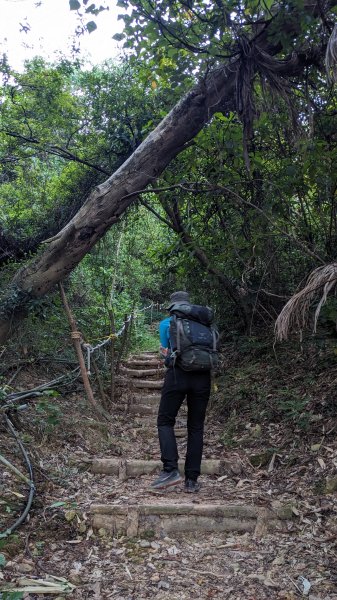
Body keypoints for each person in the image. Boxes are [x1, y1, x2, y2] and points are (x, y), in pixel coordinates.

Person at [150, 291, 212, 493]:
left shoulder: (167, 323)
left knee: (165, 421)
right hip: (203, 376)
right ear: (188, 304)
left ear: (173, 305)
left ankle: (171, 470)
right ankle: (192, 480)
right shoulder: (203, 322)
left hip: (177, 374)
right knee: (196, 427)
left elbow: (166, 350)